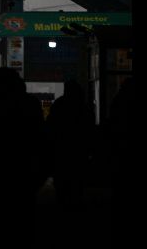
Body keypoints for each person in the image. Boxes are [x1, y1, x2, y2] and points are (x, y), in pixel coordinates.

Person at [46, 79, 94, 208]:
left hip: (61, 152)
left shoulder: (59, 104)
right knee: (77, 183)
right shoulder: (84, 107)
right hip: (78, 152)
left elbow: (51, 127)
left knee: (62, 183)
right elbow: (89, 130)